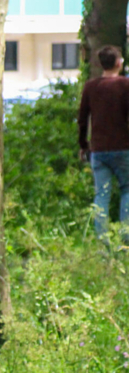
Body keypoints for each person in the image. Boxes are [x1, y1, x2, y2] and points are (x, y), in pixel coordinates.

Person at [79, 44, 129, 245]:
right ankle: (126, 239)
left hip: (98, 149)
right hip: (123, 147)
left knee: (102, 194)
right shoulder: (126, 85)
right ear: (118, 62)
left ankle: (103, 243)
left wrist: (84, 145)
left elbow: (82, 119)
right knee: (127, 189)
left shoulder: (91, 87)